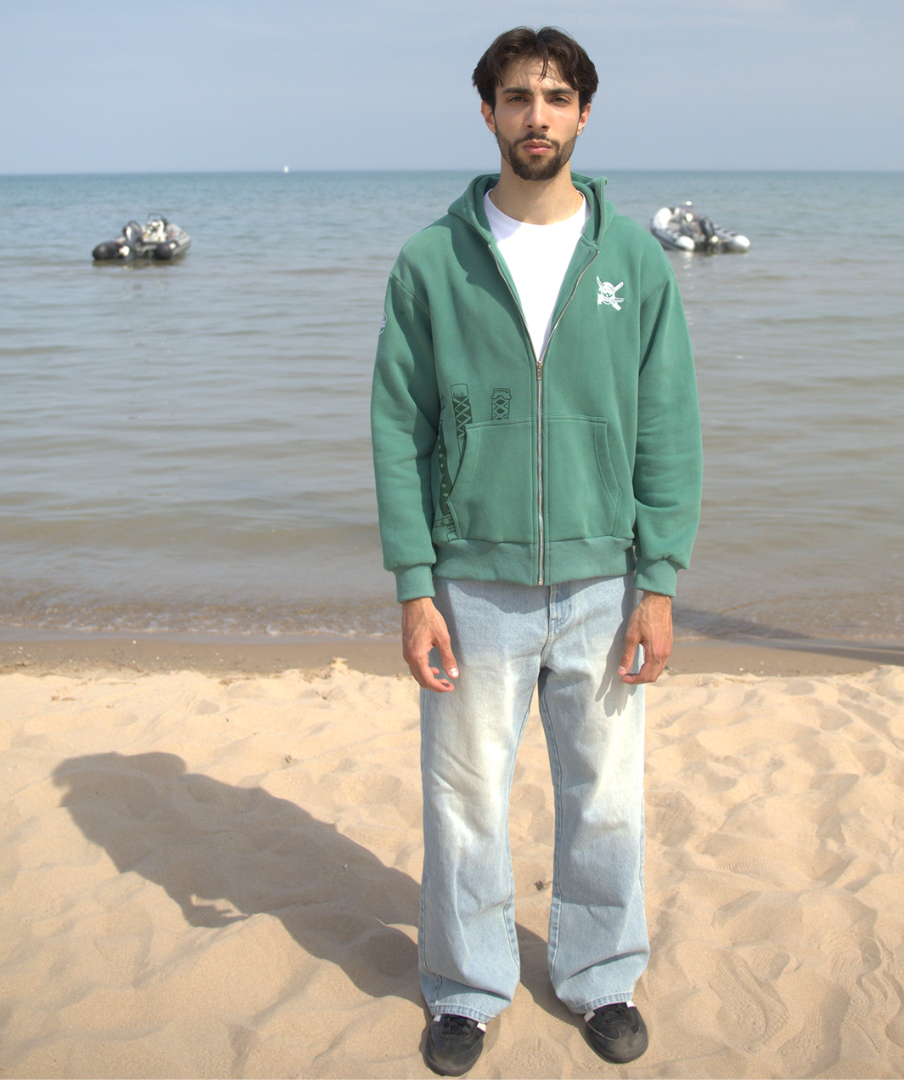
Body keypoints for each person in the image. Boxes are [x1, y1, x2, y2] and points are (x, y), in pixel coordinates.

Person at [370, 25, 702, 1076]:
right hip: (472, 580)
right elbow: (399, 429)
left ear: (584, 115)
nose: (537, 115)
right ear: (488, 113)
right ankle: (467, 988)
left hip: (605, 579)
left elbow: (668, 424)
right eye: (518, 97)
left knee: (604, 795)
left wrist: (660, 580)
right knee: (464, 798)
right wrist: (414, 585)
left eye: (557, 97)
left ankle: (600, 975)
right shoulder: (432, 262)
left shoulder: (634, 260)